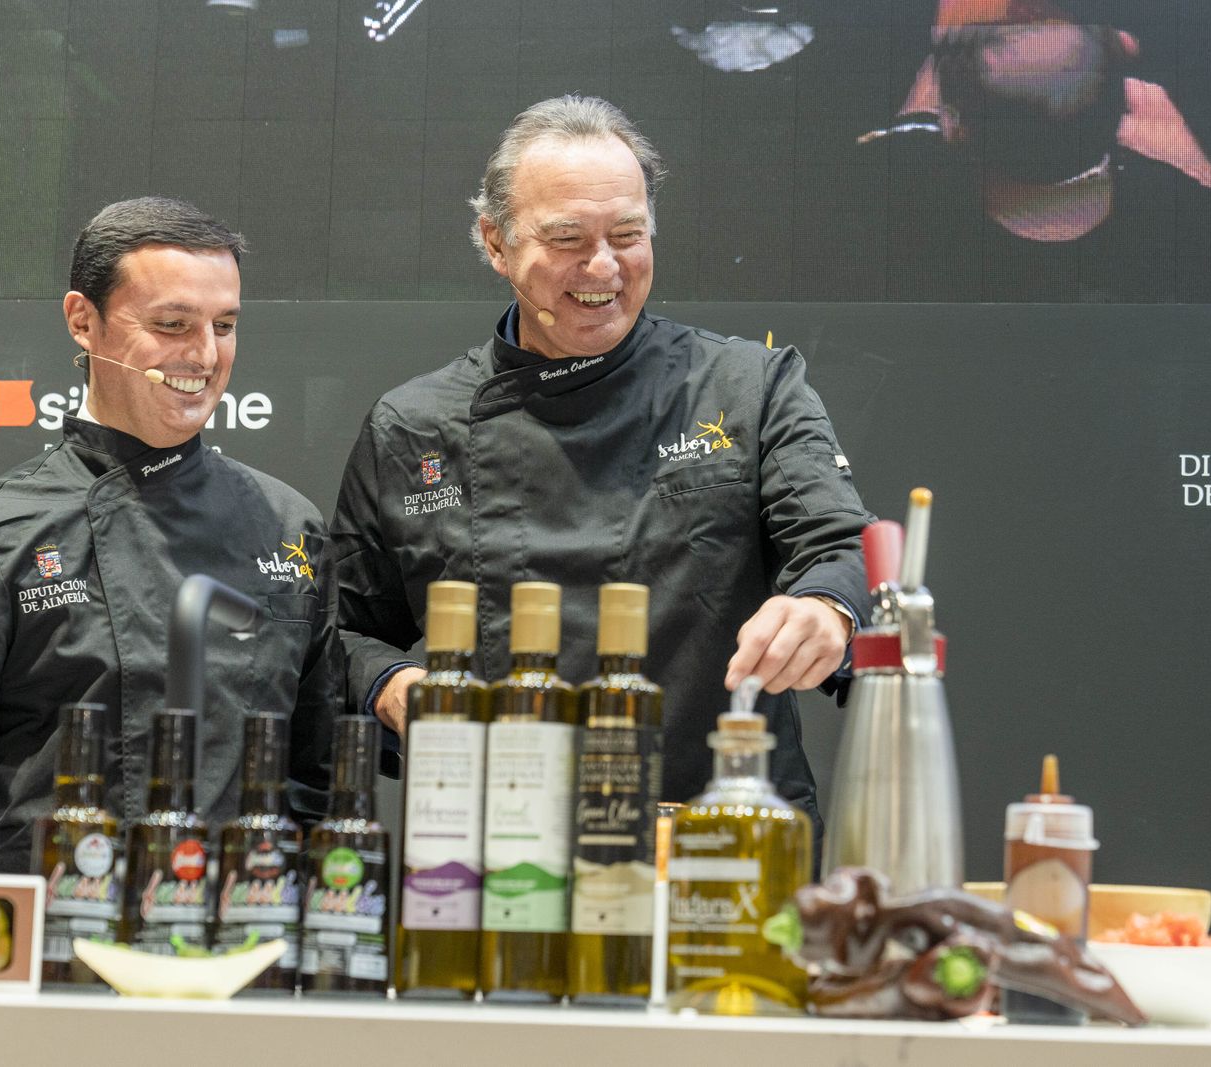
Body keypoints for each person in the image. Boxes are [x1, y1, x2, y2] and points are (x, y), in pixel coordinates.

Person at [330, 97, 871, 834]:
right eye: (567, 239)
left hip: (721, 833)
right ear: (495, 241)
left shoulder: (749, 387)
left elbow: (841, 546)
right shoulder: (415, 426)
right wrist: (394, 686)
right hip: (505, 842)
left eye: (628, 235)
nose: (604, 266)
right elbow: (340, 630)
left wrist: (824, 608)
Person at [0, 197, 338, 873]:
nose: (206, 355)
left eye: (226, 325)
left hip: (237, 951)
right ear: (82, 321)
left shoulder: (290, 528)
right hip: (42, 957)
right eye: (173, 324)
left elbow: (318, 797)